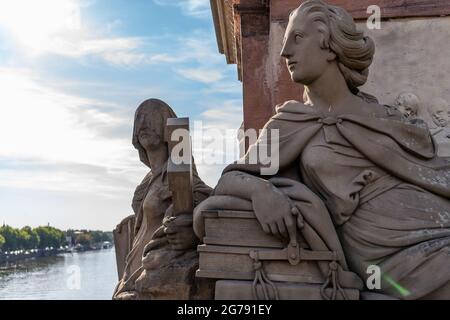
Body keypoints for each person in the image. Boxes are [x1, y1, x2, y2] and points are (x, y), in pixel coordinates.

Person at [194, 0, 450, 299]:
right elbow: (230, 179)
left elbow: (429, 172)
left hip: (435, 227)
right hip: (388, 257)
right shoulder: (290, 123)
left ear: (330, 47)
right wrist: (261, 192)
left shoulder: (383, 116)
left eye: (298, 38)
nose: (284, 51)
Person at [114, 99, 211, 299]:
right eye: (139, 118)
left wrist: (192, 229)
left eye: (152, 117)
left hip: (155, 271)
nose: (143, 123)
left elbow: (206, 200)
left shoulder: (179, 175)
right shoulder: (147, 181)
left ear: (167, 126)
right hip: (134, 267)